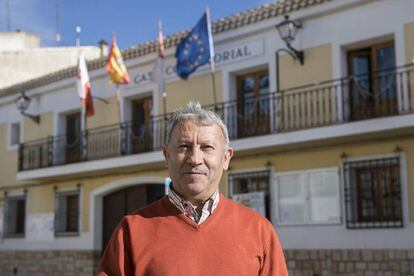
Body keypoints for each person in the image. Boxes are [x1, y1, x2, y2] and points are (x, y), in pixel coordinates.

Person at [97, 102, 288, 276]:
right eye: (183, 146)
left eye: (207, 147)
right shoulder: (131, 230)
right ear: (166, 155)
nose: (195, 159)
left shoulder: (259, 229)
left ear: (226, 158)